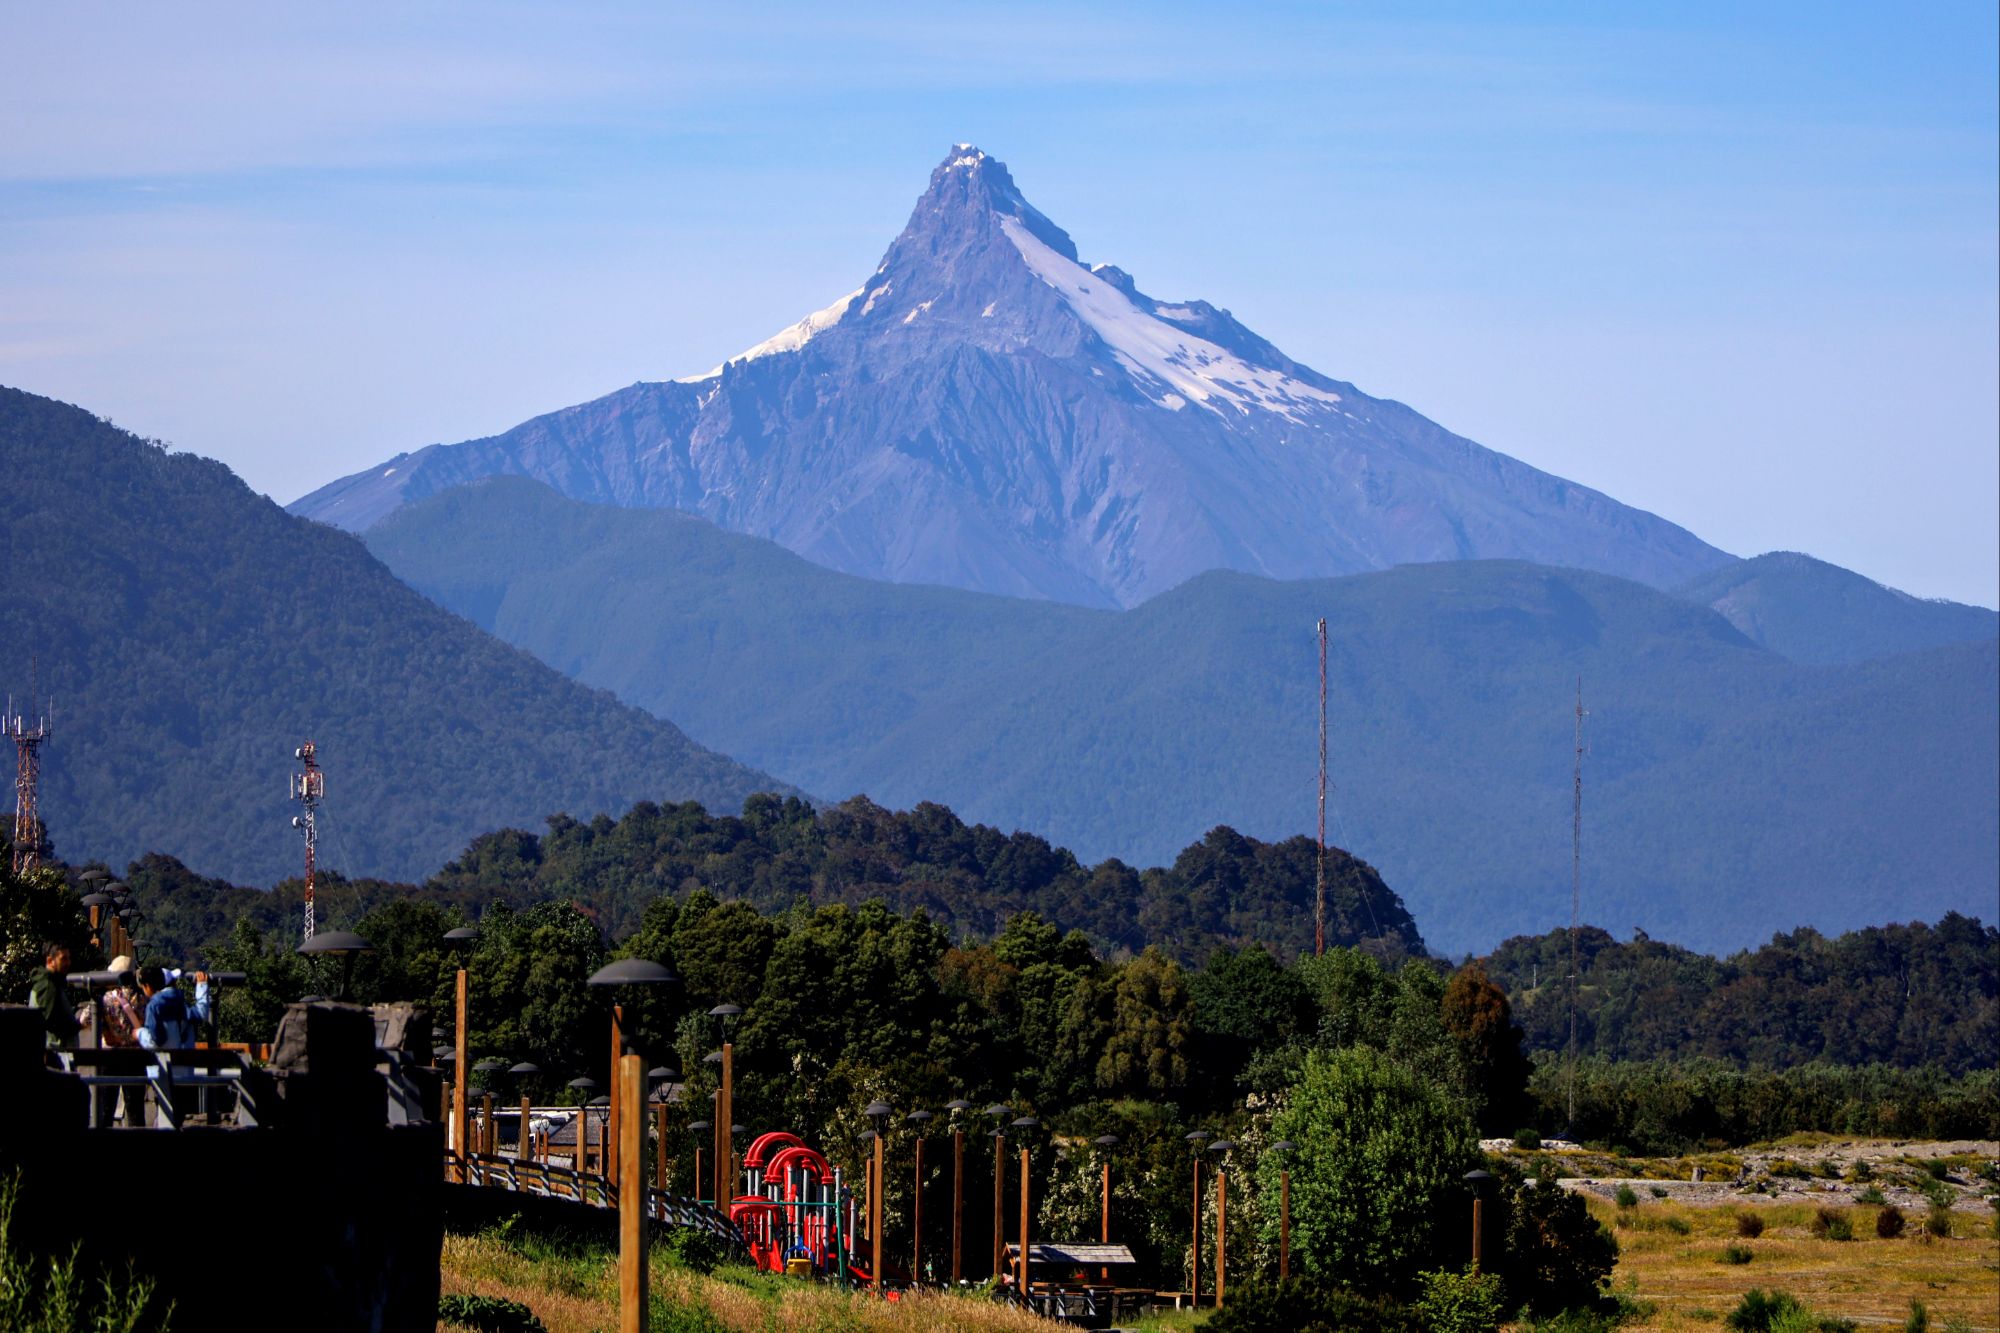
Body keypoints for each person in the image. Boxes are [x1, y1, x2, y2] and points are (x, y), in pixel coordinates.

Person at [27, 940, 78, 1049]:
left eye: (69, 958)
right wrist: (78, 1025)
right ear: (50, 961)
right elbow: (51, 1023)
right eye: (63, 959)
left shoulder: (52, 983)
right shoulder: (48, 986)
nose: (68, 963)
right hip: (55, 1056)